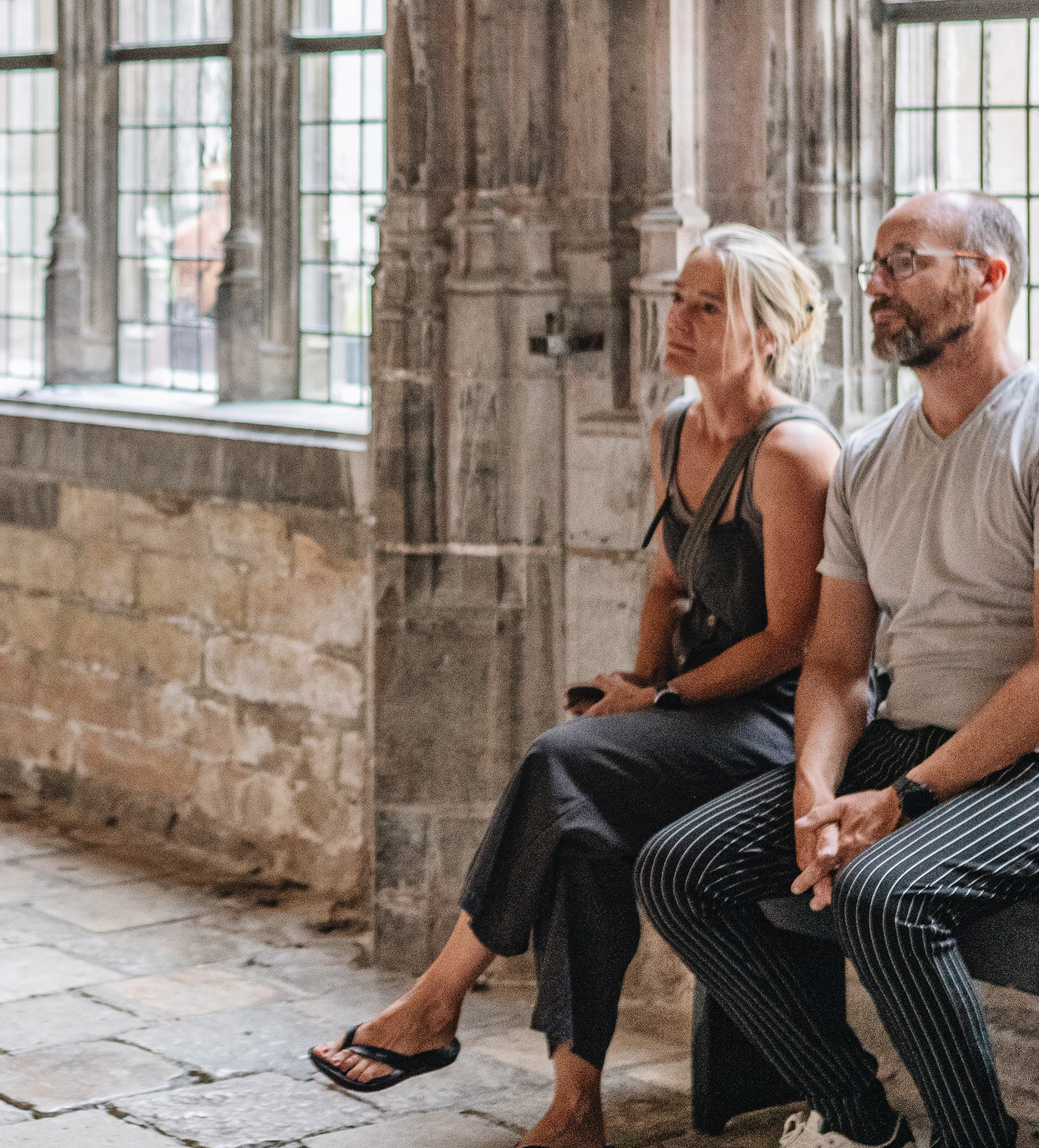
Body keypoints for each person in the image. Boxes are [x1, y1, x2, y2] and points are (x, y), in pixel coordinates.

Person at [636, 191, 1039, 1148]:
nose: (878, 286)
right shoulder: (871, 457)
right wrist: (815, 787)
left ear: (987, 278)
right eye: (875, 267)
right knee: (679, 867)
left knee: (885, 891)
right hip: (917, 745)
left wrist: (901, 801)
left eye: (905, 262)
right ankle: (860, 1120)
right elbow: (835, 664)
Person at [312, 225, 840, 1148]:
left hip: (777, 723)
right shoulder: (674, 429)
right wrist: (637, 680)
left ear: (765, 335)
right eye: (679, 298)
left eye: (706, 307)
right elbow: (668, 585)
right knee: (581, 829)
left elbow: (793, 642)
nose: (675, 319)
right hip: (692, 706)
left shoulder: (793, 454)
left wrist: (658, 705)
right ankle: (575, 1104)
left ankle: (438, 1000)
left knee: (562, 765)